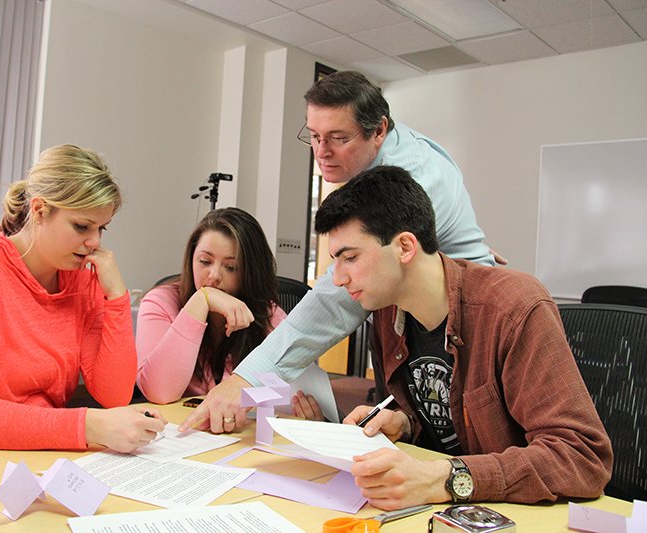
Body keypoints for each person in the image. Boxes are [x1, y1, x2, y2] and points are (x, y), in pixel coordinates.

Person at [180, 70, 496, 433]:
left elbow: (334, 302)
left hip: (459, 324)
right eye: (313, 136)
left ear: (378, 130)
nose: (321, 151)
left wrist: (246, 379)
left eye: (337, 138)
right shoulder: (386, 155)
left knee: (471, 430)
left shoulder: (415, 178)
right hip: (411, 322)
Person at [313, 164, 612, 507]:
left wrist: (443, 478)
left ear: (405, 247)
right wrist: (404, 423)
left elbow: (581, 457)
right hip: (433, 510)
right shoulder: (386, 311)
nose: (338, 278)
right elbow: (443, 419)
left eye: (349, 258)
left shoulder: (513, 307)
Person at [0, 144, 166, 451]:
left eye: (101, 228)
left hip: (32, 451)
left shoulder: (83, 280)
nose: (94, 242)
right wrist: (88, 426)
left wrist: (116, 297)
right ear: (40, 209)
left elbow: (114, 395)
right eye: (82, 226)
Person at [136, 208, 286, 411]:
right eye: (205, 261)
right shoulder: (160, 302)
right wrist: (201, 301)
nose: (214, 275)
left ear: (250, 272)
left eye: (231, 267)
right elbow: (160, 391)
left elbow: (286, 392)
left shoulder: (268, 314)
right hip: (178, 432)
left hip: (242, 433)